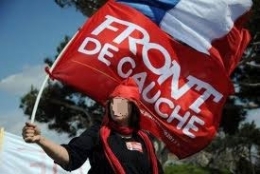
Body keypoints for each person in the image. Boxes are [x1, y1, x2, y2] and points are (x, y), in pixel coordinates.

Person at [22, 77, 164, 174]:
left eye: (121, 104)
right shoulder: (98, 132)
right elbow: (70, 158)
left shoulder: (144, 140)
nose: (115, 108)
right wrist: (41, 140)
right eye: (112, 104)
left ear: (133, 108)